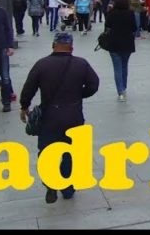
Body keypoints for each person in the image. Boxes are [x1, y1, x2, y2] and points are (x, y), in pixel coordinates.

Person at [19, 32, 99, 204]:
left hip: (50, 116)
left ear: (53, 45)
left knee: (47, 152)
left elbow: (29, 87)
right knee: (71, 153)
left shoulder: (42, 64)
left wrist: (24, 106)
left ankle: (50, 186)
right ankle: (67, 186)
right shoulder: (81, 64)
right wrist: (79, 94)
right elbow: (94, 84)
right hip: (74, 116)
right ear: (71, 47)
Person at [104, 0, 137, 102]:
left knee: (117, 68)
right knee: (124, 66)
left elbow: (107, 26)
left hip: (114, 43)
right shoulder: (130, 13)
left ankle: (120, 91)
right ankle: (124, 87)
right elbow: (134, 28)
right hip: (127, 42)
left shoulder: (111, 13)